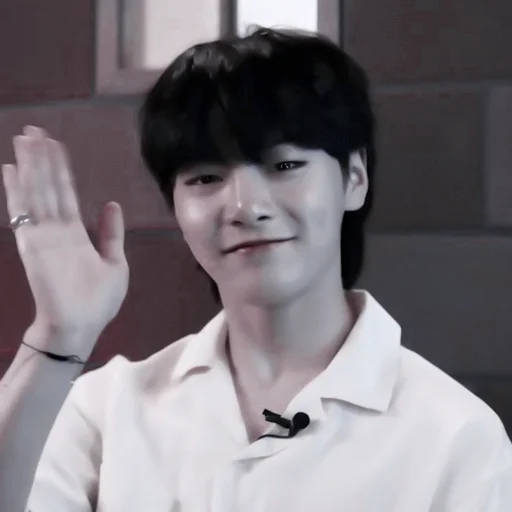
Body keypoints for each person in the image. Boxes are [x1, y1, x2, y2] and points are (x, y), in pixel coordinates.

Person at [0, 27, 511, 512]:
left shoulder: (455, 436)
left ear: (354, 178)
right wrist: (59, 337)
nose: (246, 206)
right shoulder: (107, 409)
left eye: (284, 166)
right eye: (205, 178)